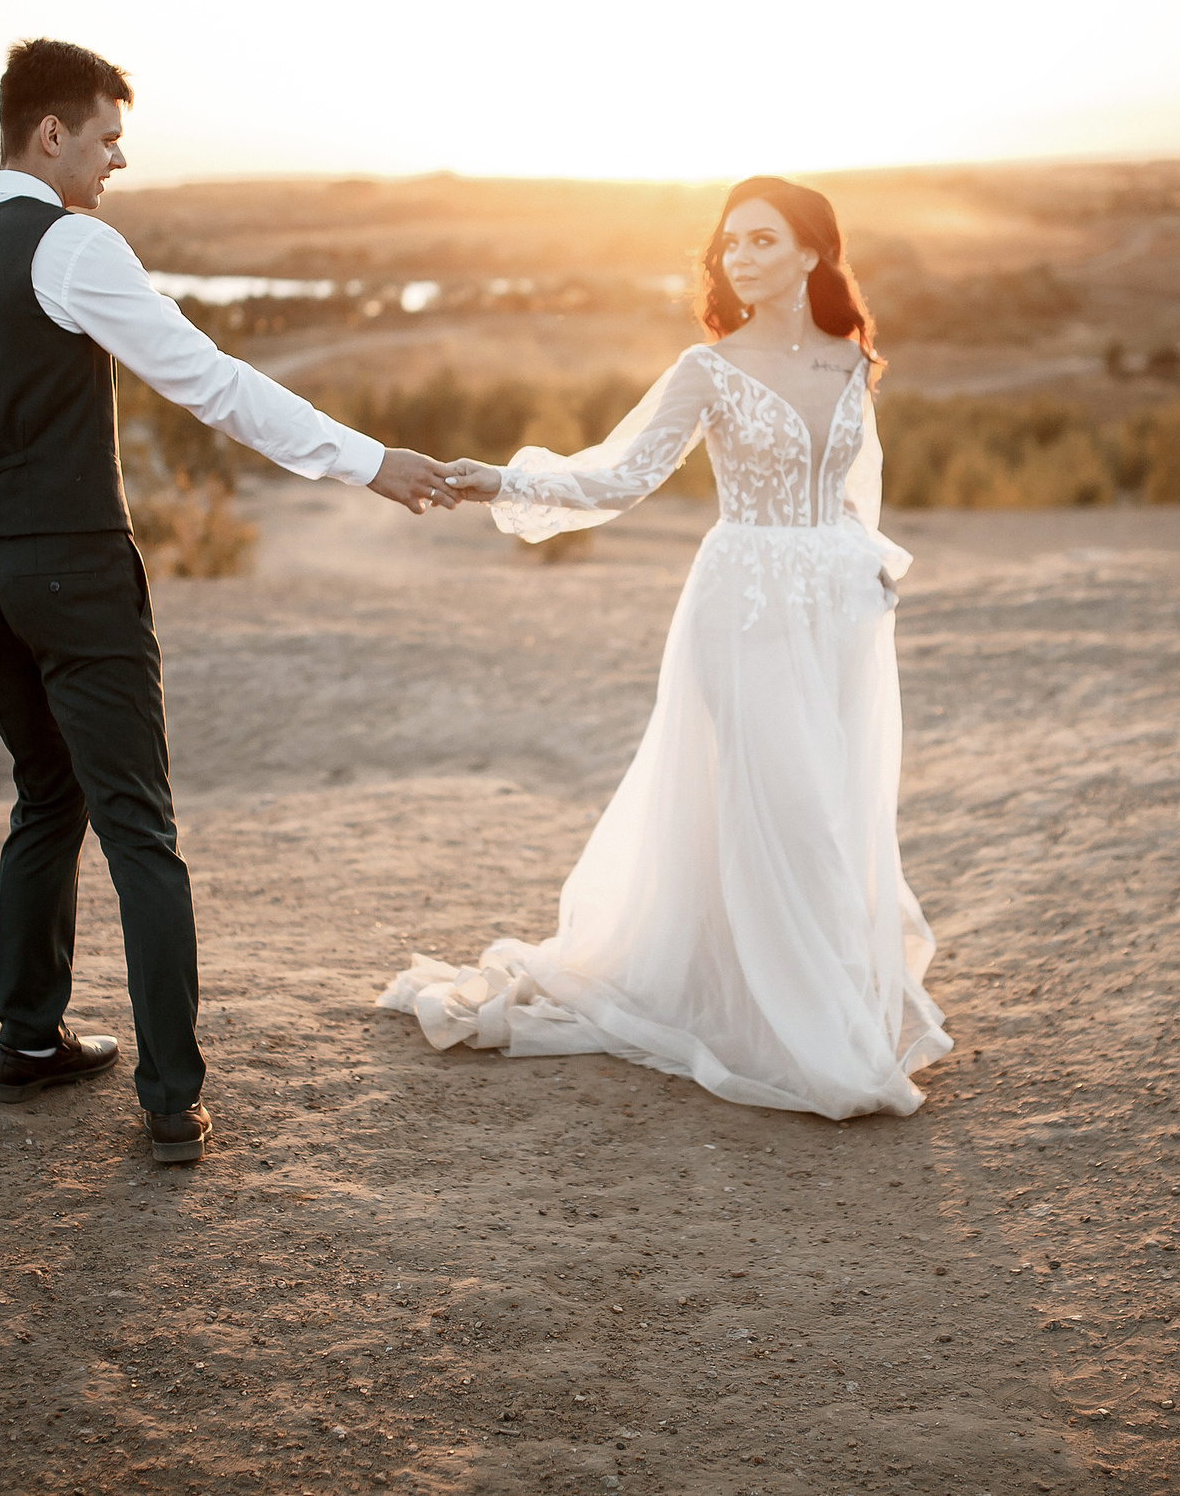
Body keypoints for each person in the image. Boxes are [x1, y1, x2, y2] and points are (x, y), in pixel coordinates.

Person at [0, 38, 462, 1163]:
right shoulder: (68, 245)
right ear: (48, 134)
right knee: (137, 822)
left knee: (44, 794)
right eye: (105, 141)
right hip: (72, 568)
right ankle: (168, 1096)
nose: (113, 165)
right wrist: (365, 460)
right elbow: (210, 381)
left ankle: (28, 1040)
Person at [378, 177, 951, 1120]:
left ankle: (812, 1006)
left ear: (813, 252)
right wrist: (498, 481)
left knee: (833, 810)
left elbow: (857, 486)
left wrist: (872, 561)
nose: (741, 258)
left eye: (764, 240)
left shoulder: (850, 361)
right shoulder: (708, 367)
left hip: (839, 612)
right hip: (747, 605)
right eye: (731, 245)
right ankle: (810, 1041)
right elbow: (621, 476)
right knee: (789, 807)